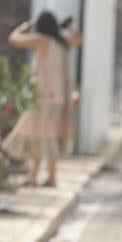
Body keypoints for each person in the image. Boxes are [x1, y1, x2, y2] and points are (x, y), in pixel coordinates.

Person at [2, 11, 81, 187]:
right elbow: (78, 38)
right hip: (58, 98)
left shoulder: (42, 40)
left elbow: (14, 38)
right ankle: (34, 176)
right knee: (38, 135)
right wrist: (66, 26)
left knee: (41, 136)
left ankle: (50, 177)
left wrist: (27, 25)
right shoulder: (61, 43)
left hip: (43, 97)